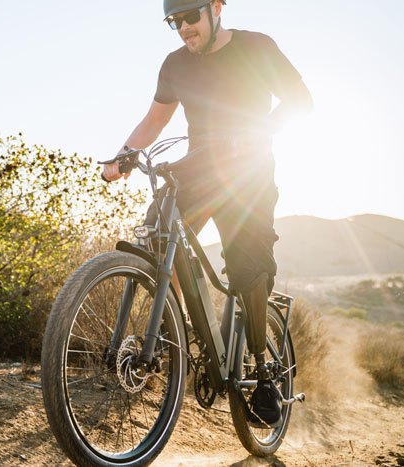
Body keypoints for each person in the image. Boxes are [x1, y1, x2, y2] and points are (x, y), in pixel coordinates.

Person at [102, 0, 312, 426]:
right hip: (196, 168)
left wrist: (256, 132)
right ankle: (175, 332)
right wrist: (122, 157)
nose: (182, 28)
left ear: (217, 7)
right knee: (157, 234)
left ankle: (263, 372)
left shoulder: (257, 48)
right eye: (173, 21)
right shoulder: (175, 65)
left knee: (247, 269)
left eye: (190, 17)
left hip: (247, 173)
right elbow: (155, 119)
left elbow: (300, 101)